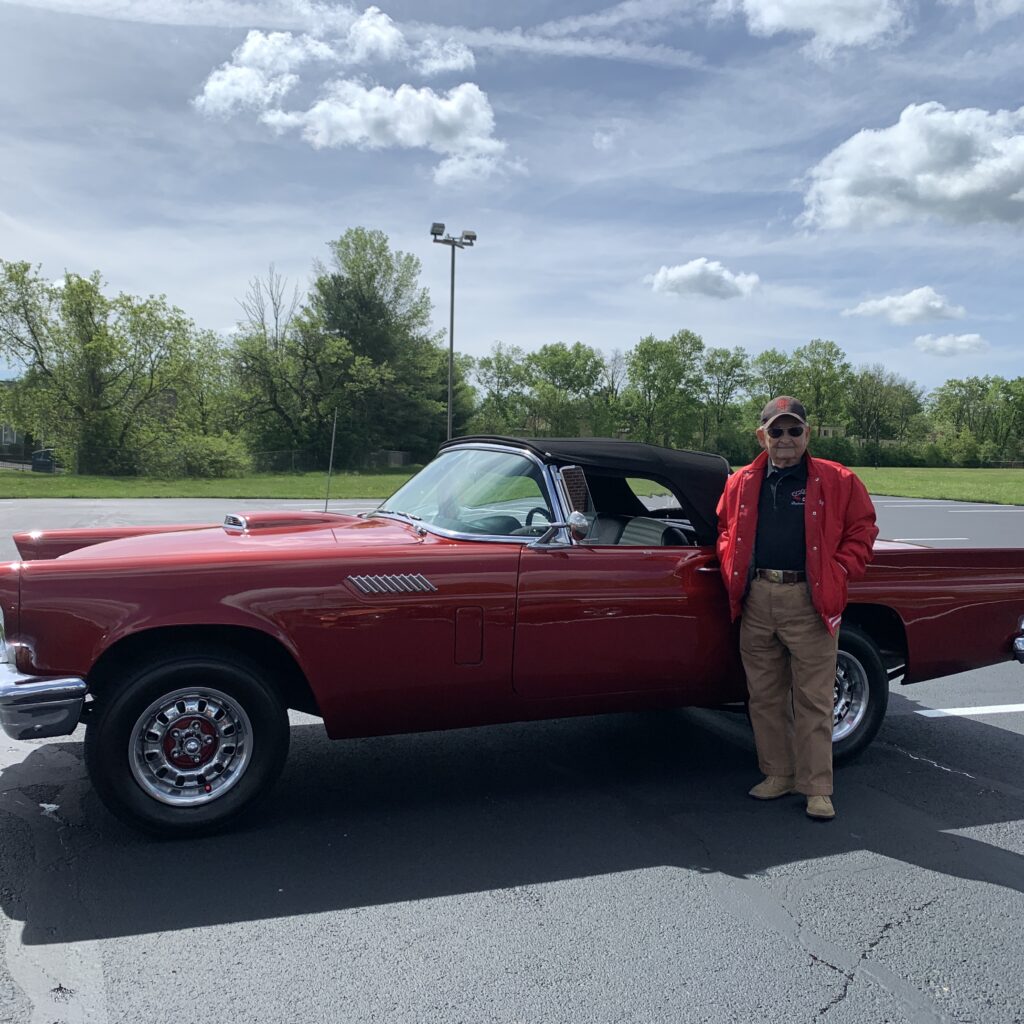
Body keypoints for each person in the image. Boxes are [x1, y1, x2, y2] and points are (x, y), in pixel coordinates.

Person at [716, 396, 878, 821]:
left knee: (814, 699)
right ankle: (778, 774)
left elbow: (863, 528)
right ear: (761, 435)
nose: (785, 439)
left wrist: (841, 570)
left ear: (807, 433)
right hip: (757, 597)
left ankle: (817, 788)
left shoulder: (837, 479)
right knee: (764, 697)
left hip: (810, 599)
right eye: (776, 431)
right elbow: (724, 528)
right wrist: (731, 562)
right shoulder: (740, 482)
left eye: (794, 430)